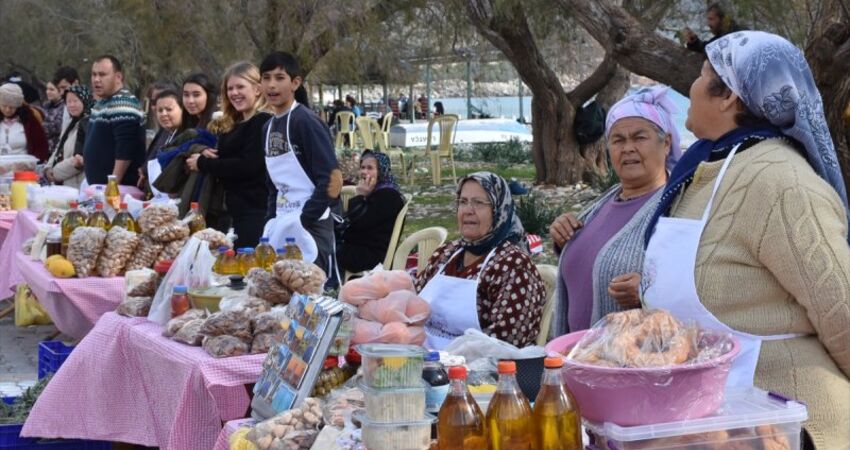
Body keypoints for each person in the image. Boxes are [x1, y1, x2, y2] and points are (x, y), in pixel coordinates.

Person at [641, 31, 850, 449]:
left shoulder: (781, 181)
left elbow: (843, 311)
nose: (691, 87)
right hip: (711, 428)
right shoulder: (703, 169)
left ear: (729, 97)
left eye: (701, 75)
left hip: (792, 426)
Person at [550, 86, 681, 335]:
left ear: (666, 144)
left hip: (630, 355)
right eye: (618, 140)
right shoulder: (603, 202)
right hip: (576, 353)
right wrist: (563, 238)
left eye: (639, 138)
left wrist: (651, 293)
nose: (628, 148)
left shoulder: (677, 208)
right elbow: (587, 261)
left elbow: (693, 284)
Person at [414, 172, 545, 349]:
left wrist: (449, 360)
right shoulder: (447, 254)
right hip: (423, 357)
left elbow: (505, 344)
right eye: (463, 202)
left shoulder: (514, 266)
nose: (468, 210)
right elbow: (413, 305)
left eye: (478, 203)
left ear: (498, 210)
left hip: (479, 364)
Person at [260, 51, 342, 282]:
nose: (272, 85)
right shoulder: (266, 128)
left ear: (295, 83)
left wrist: (304, 219)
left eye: (279, 78)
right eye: (266, 78)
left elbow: (333, 179)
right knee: (278, 291)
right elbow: (273, 184)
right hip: (281, 223)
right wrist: (271, 220)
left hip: (311, 226)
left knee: (310, 291)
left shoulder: (306, 121)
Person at [186, 62, 271, 248]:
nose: (234, 93)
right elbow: (226, 158)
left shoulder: (262, 121)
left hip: (255, 211)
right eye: (230, 88)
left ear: (257, 89)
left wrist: (203, 163)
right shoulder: (235, 123)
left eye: (240, 87)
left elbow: (248, 166)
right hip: (231, 211)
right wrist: (205, 152)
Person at [337, 151, 406, 273]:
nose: (364, 172)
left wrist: (360, 196)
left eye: (370, 168)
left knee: (326, 249)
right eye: (362, 167)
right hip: (361, 247)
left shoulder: (388, 196)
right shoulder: (377, 192)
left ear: (381, 171)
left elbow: (358, 224)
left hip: (372, 255)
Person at [82, 55, 145, 186]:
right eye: (94, 74)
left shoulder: (123, 104)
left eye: (102, 75)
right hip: (99, 187)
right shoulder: (102, 102)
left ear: (118, 77)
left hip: (119, 190)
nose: (96, 79)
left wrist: (112, 186)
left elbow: (125, 151)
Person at [140, 90, 188, 198]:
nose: (163, 114)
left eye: (169, 109)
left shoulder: (187, 136)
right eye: (160, 110)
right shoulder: (165, 133)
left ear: (182, 110)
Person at [44, 85, 93, 189]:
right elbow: (59, 147)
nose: (71, 105)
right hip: (66, 184)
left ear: (85, 101)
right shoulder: (70, 124)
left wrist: (55, 172)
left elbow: (80, 159)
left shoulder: (89, 124)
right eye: (68, 102)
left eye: (75, 101)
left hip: (80, 185)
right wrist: (48, 168)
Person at [0, 83, 48, 161]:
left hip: (23, 164)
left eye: (12, 107)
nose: (7, 110)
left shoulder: (28, 118)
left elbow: (41, 145)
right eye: (4, 106)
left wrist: (34, 162)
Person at [42, 81, 64, 151]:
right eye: (47, 89)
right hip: (44, 147)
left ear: (60, 91)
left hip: (57, 149)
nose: (48, 92)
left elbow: (57, 126)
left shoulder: (64, 106)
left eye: (51, 89)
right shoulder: (45, 105)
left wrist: (40, 126)